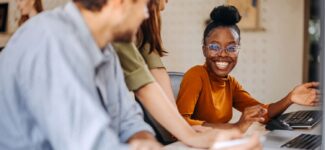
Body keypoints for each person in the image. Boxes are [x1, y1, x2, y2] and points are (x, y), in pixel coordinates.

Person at [0, 0, 163, 149]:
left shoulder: (106, 52)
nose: (145, 14)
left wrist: (144, 140)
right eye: (143, 5)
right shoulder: (50, 42)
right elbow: (87, 144)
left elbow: (129, 120)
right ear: (119, 3)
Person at [113, 0, 262, 149]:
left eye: (231, 48)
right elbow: (143, 86)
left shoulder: (139, 26)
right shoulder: (115, 36)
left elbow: (151, 78)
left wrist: (184, 132)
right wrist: (189, 134)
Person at [176, 5, 320, 133]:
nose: (223, 54)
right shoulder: (196, 75)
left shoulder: (230, 84)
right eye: (214, 47)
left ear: (238, 51)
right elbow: (180, 124)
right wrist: (235, 127)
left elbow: (262, 113)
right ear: (204, 50)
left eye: (231, 48)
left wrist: (290, 98)